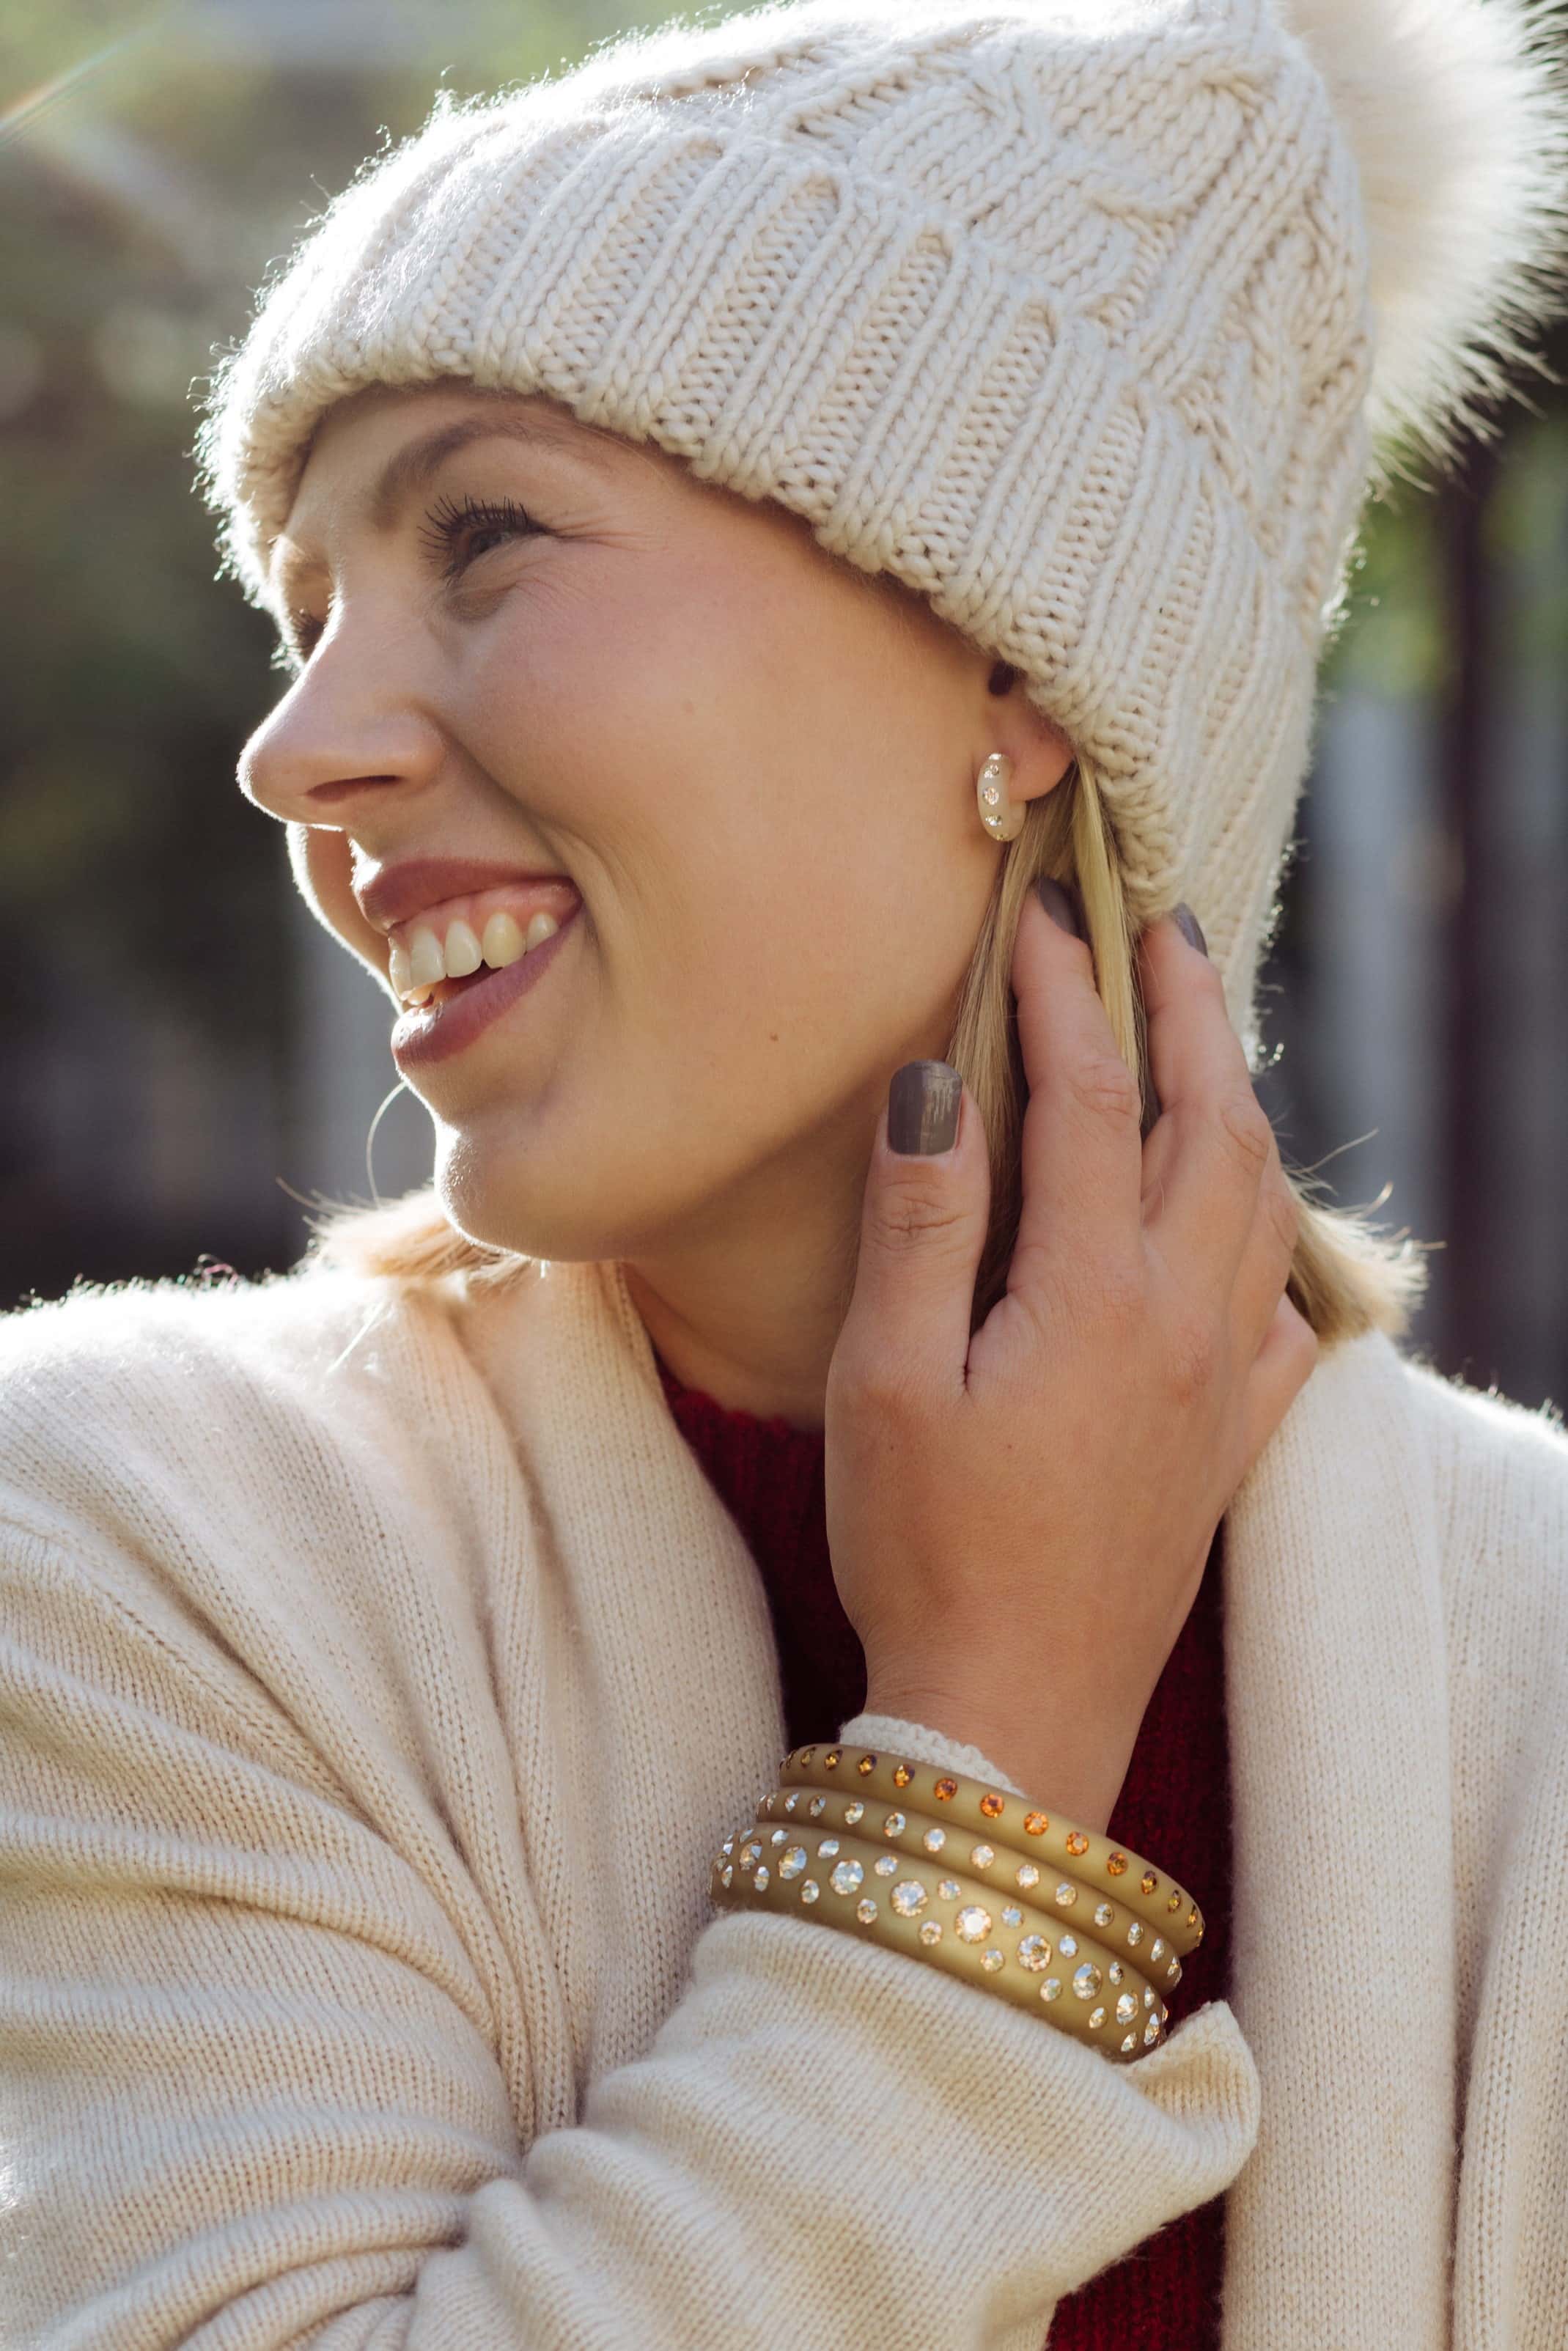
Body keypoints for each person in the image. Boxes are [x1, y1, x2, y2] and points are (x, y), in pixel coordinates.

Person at [3, 1, 1567, 2345]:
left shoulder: (1531, 1653)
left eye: (485, 533)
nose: (294, 751)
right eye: (304, 613)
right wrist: (989, 1768)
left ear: (1014, 664)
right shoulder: (146, 1538)